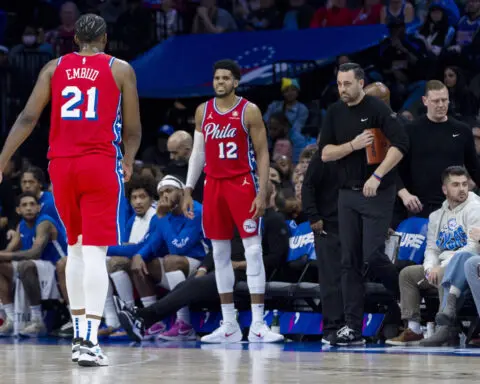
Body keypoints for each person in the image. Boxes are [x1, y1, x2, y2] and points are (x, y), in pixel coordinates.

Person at [0, 14, 141, 366]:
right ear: (105, 39)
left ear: (74, 39)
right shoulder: (120, 68)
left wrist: (2, 158)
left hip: (61, 166)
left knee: (76, 251)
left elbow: (27, 118)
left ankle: (80, 336)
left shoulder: (53, 67)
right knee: (94, 254)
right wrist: (129, 158)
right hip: (99, 164)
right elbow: (134, 129)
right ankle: (90, 342)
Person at [182, 59, 283, 344]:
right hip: (213, 185)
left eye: (226, 78)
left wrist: (262, 191)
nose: (220, 82)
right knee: (219, 254)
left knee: (252, 251)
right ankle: (229, 324)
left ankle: (259, 323)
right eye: (216, 78)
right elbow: (198, 153)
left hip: (242, 183)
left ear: (236, 82)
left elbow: (263, 153)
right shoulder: (203, 110)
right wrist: (189, 188)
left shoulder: (249, 110)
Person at [117, 181, 289, 343]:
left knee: (193, 286)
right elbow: (218, 249)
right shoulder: (238, 218)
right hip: (224, 270)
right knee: (186, 285)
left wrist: (239, 265)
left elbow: (275, 259)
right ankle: (144, 318)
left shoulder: (273, 219)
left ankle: (143, 317)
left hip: (247, 275)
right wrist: (203, 268)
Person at [319, 62, 409, 345]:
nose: (342, 89)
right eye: (339, 84)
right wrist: (353, 146)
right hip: (346, 194)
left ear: (360, 82)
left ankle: (409, 299)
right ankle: (353, 328)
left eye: (347, 84)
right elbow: (325, 153)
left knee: (373, 255)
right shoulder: (334, 112)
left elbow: (401, 144)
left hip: (376, 192)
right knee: (349, 262)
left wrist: (378, 175)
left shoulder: (377, 109)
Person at [386, 166, 480, 346]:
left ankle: (445, 329)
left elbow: (473, 247)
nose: (461, 188)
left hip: (464, 269)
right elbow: (432, 249)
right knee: (408, 274)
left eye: (464, 184)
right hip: (439, 266)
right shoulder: (436, 216)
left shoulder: (476, 208)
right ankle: (413, 329)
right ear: (445, 189)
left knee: (446, 273)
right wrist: (430, 269)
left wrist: (442, 268)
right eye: (455, 184)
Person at [396, 80, 480, 219]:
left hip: (454, 205)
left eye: (444, 100)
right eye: (435, 101)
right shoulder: (410, 131)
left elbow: (475, 168)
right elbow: (396, 169)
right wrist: (404, 194)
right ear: (425, 100)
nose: (441, 105)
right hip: (418, 206)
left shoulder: (462, 130)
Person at [0, 192, 67, 337]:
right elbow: (8, 251)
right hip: (39, 267)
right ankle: (10, 318)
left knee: (26, 265)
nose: (29, 208)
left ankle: (37, 321)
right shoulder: (21, 226)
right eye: (24, 205)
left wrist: (3, 255)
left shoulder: (44, 222)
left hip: (57, 266)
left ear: (38, 208)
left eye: (32, 204)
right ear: (18, 210)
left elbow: (35, 253)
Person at [301, 149, 343, 345]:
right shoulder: (324, 154)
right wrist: (313, 216)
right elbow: (307, 186)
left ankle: (351, 326)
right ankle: (332, 328)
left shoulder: (358, 153)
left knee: (351, 278)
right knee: (330, 279)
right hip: (327, 226)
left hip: (352, 225)